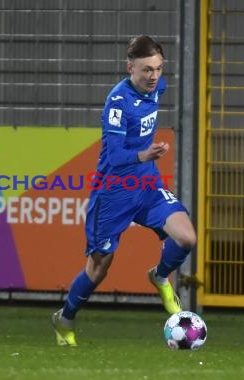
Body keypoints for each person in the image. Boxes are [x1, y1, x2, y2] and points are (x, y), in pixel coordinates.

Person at [51, 36, 196, 347]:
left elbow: (156, 90)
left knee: (186, 238)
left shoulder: (158, 87)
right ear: (130, 67)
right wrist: (145, 154)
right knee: (99, 267)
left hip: (146, 186)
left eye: (158, 68)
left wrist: (147, 161)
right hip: (113, 192)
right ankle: (64, 320)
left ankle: (159, 277)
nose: (153, 76)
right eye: (146, 70)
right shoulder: (117, 103)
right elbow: (115, 157)